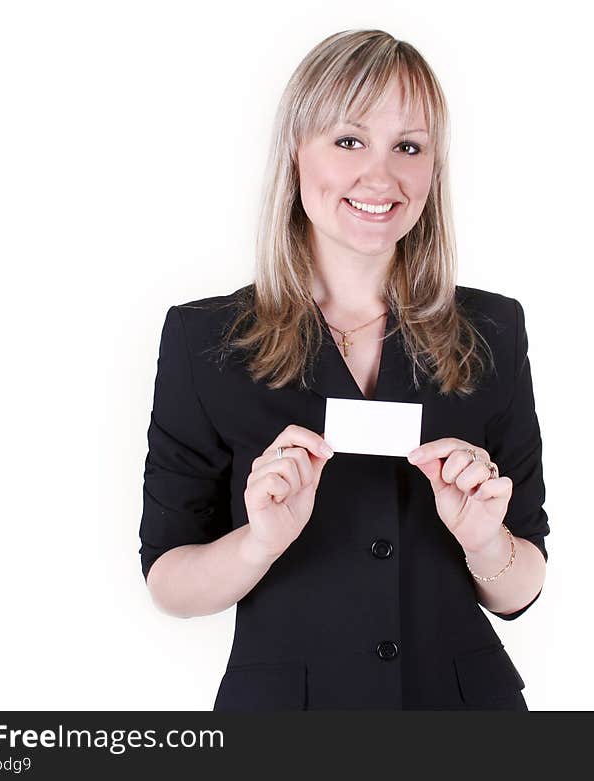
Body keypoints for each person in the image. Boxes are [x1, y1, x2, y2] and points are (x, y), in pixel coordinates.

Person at [138, 29, 550, 711]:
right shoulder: (204, 339)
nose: (380, 177)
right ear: (296, 152)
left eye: (408, 148)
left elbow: (522, 584)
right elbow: (168, 579)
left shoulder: (494, 331)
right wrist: (258, 542)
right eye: (350, 140)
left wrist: (484, 538)